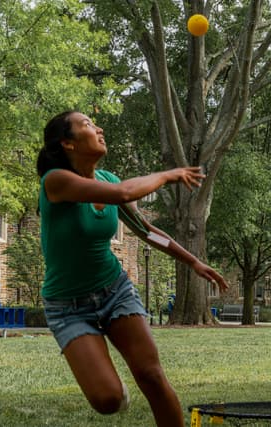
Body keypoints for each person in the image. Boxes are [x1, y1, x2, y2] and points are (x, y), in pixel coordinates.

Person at [36, 110, 229, 427]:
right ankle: (109, 387)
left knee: (152, 375)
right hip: (68, 306)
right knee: (108, 401)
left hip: (115, 291)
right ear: (67, 144)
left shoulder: (109, 179)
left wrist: (193, 261)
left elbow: (146, 230)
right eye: (86, 124)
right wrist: (169, 175)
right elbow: (125, 192)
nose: (98, 128)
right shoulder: (56, 182)